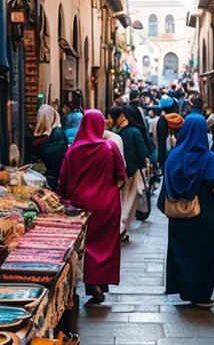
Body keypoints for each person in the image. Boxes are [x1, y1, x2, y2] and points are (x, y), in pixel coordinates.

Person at [57, 109, 126, 305]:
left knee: (87, 245)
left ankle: (92, 283)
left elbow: (63, 181)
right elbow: (121, 176)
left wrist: (65, 198)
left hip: (82, 203)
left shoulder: (73, 150)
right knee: (105, 245)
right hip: (108, 203)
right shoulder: (109, 147)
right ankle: (99, 282)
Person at [158, 113, 214, 306]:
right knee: (204, 254)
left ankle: (185, 290)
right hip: (204, 216)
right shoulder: (208, 158)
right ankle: (201, 294)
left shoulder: (174, 156)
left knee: (183, 252)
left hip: (179, 217)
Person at [108, 106, 150, 241]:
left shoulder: (118, 133)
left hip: (120, 172)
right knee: (128, 202)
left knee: (123, 201)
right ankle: (121, 228)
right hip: (132, 171)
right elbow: (143, 151)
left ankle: (120, 228)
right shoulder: (134, 132)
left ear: (123, 117)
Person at [28, 104, 68, 190]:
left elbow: (51, 156)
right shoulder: (44, 135)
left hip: (52, 180)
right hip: (43, 178)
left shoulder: (57, 133)